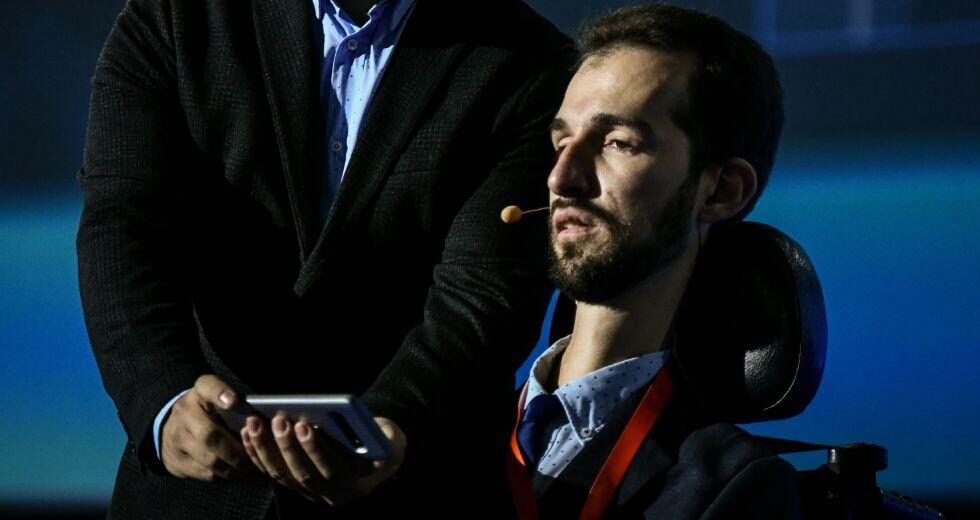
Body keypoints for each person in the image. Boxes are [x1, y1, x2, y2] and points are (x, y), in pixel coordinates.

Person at [76, 0, 574, 517]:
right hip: (193, 493)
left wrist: (389, 426)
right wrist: (163, 403)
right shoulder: (174, 17)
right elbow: (122, 229)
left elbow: (486, 291)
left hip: (416, 485)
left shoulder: (530, 61)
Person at [504, 4, 800, 518]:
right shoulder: (439, 432)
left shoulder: (731, 490)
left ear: (722, 190)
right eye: (561, 142)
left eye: (617, 142)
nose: (561, 178)